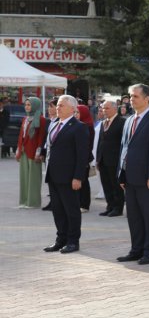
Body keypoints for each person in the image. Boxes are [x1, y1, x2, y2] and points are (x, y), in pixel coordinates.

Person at [116, 84, 149, 265]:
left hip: (147, 178)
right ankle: (136, 249)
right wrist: (121, 174)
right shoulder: (129, 120)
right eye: (130, 96)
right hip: (130, 177)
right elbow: (124, 148)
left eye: (135, 96)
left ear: (147, 99)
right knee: (134, 216)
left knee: (148, 216)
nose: (131, 100)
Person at [43, 95, 89, 254]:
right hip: (53, 175)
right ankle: (60, 239)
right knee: (58, 210)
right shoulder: (54, 124)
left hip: (69, 177)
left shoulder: (79, 127)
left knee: (71, 210)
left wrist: (78, 177)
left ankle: (73, 241)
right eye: (58, 105)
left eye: (62, 105)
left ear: (73, 108)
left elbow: (82, 155)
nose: (58, 107)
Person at [96, 101, 125, 217]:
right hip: (103, 159)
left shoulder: (122, 122)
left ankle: (118, 208)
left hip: (114, 159)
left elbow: (123, 142)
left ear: (115, 109)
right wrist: (98, 158)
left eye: (107, 108)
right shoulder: (103, 123)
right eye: (103, 108)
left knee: (115, 185)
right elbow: (100, 142)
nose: (104, 111)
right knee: (106, 184)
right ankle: (110, 206)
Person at [17, 97, 47, 208]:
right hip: (24, 150)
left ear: (35, 105)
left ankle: (33, 202)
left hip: (34, 151)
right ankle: (24, 201)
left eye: (29, 105)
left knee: (34, 178)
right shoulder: (25, 118)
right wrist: (18, 150)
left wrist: (38, 152)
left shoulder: (41, 119)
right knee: (24, 177)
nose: (27, 107)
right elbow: (21, 135)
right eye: (26, 105)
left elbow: (41, 137)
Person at [74, 104, 95, 213]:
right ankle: (78, 202)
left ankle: (84, 204)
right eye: (75, 112)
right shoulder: (77, 125)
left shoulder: (87, 126)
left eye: (78, 113)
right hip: (77, 156)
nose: (76, 115)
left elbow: (87, 144)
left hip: (84, 157)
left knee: (84, 181)